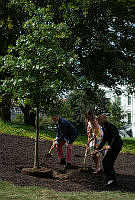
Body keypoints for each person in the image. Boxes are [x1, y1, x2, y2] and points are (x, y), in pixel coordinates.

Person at [95, 114, 123, 186]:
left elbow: (115, 136)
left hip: (116, 146)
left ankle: (112, 180)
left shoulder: (110, 126)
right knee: (106, 162)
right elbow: (104, 139)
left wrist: (110, 145)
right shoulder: (104, 127)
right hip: (112, 146)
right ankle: (110, 178)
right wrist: (98, 149)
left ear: (101, 121)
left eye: (98, 121)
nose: (97, 123)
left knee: (108, 162)